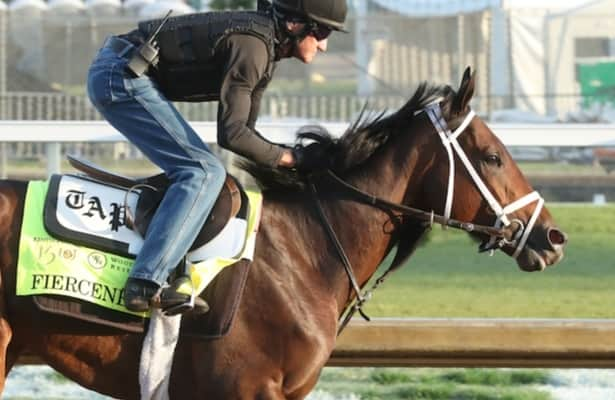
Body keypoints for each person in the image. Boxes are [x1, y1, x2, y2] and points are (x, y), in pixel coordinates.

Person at [86, 0, 348, 313]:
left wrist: (291, 161)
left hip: (124, 70)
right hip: (120, 76)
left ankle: (174, 265)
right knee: (202, 172)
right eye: (323, 33)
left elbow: (246, 134)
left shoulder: (265, 49)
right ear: (295, 25)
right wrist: (292, 159)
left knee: (204, 171)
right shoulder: (253, 48)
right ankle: (145, 282)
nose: (325, 47)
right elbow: (232, 134)